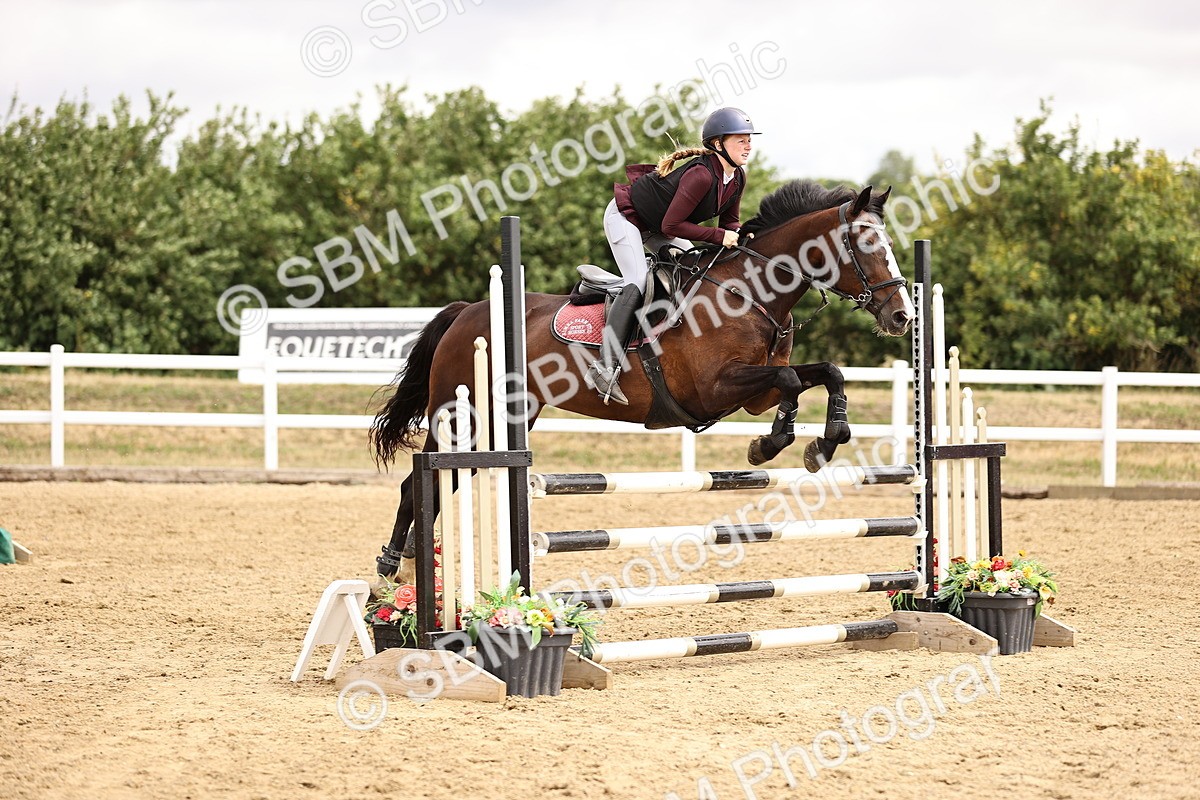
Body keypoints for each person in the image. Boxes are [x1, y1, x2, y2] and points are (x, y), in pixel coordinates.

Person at [585, 106, 760, 405]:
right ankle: (605, 366)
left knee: (695, 274)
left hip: (658, 225)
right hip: (627, 218)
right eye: (740, 139)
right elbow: (672, 225)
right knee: (638, 282)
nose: (748, 145)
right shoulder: (701, 175)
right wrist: (720, 236)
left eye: (749, 139)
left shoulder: (737, 177)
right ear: (718, 144)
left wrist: (742, 233)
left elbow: (729, 222)